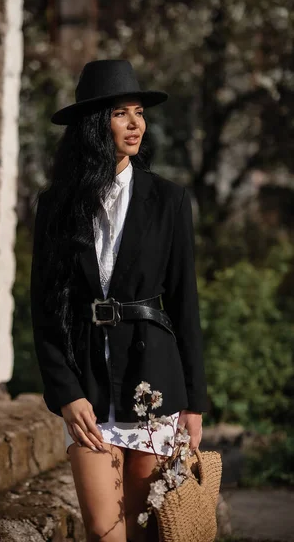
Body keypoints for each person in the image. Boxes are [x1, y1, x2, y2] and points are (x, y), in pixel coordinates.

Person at [30, 59, 207, 542]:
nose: (136, 124)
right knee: (103, 530)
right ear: (94, 124)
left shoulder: (169, 199)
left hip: (155, 383)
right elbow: (45, 310)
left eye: (139, 113)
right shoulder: (56, 205)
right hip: (87, 384)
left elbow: (184, 303)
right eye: (120, 114)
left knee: (149, 530)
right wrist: (65, 393)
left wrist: (194, 402)